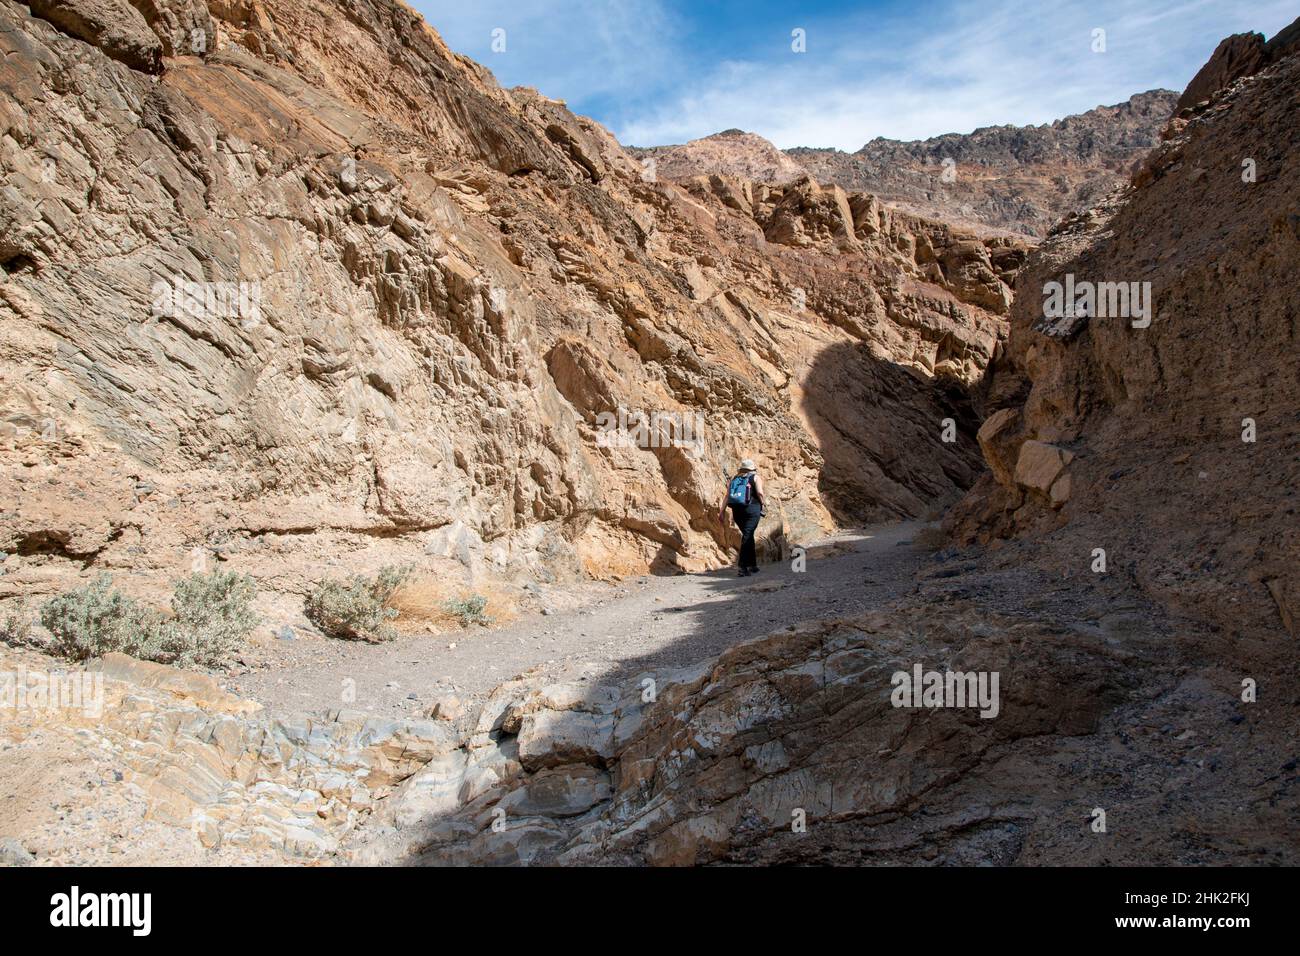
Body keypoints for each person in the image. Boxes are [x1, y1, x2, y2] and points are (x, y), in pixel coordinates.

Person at [718, 459, 766, 577]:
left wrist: (722, 511)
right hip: (752, 510)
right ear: (752, 469)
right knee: (747, 535)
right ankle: (742, 567)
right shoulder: (755, 477)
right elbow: (760, 492)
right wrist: (763, 504)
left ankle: (753, 565)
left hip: (737, 512)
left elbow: (727, 496)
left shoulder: (735, 479)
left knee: (748, 534)